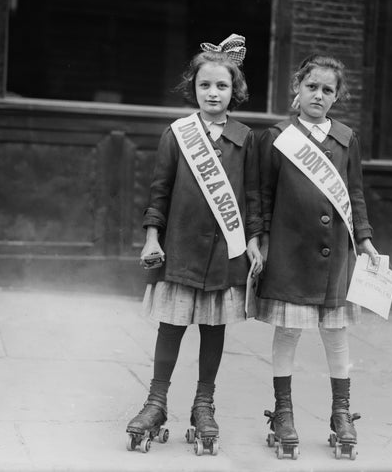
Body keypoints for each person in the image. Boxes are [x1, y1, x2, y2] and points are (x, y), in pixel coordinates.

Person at [125, 34, 263, 454]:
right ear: (194, 88)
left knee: (213, 328)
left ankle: (204, 403)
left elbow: (254, 196)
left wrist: (255, 241)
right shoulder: (177, 133)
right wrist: (152, 238)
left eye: (222, 85)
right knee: (171, 326)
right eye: (205, 85)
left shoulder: (245, 138)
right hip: (180, 248)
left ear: (233, 90)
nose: (213, 92)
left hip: (225, 252)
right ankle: (156, 401)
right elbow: (159, 192)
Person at [256, 54, 378, 459]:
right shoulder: (277, 136)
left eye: (328, 90)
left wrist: (364, 239)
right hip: (290, 251)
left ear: (337, 96)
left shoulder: (346, 138)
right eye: (312, 87)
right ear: (297, 87)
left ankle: (341, 412)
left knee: (336, 334)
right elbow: (262, 195)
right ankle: (284, 411)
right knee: (288, 331)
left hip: (335, 255)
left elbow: (355, 193)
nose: (319, 95)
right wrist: (262, 239)